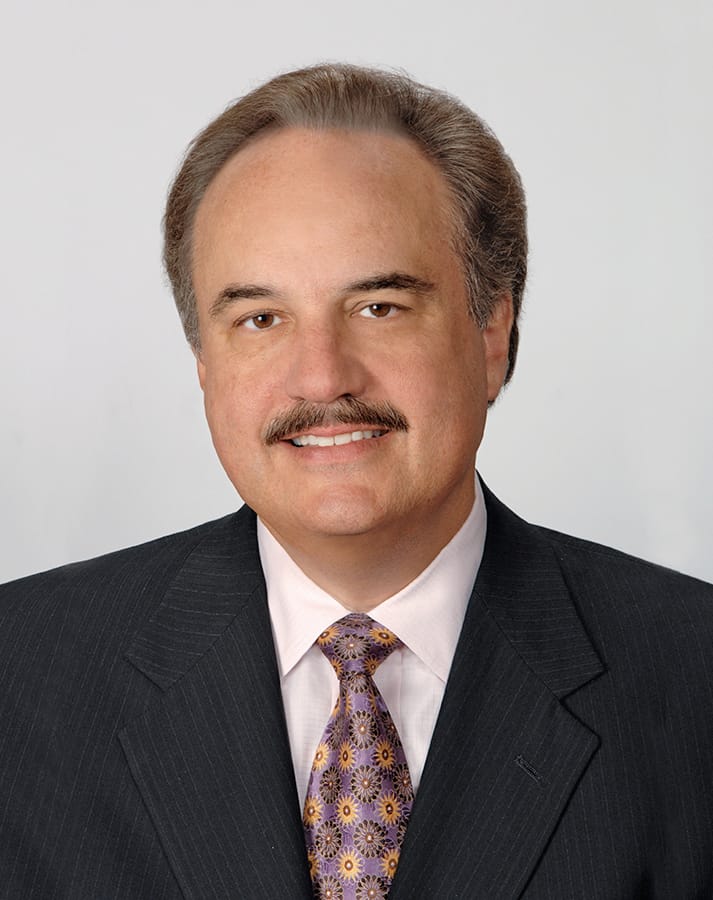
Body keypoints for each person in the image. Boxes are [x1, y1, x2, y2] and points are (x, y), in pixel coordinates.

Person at [1, 63, 712, 900]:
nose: (321, 377)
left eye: (379, 307)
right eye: (260, 319)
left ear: (492, 334)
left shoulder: (690, 677)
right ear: (203, 361)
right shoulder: (21, 674)